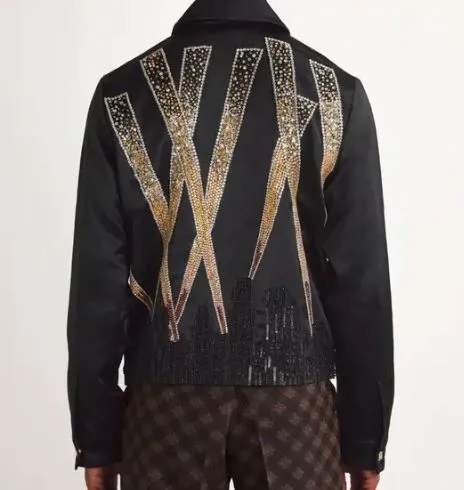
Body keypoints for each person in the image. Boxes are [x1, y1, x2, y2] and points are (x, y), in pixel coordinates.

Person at [67, 0, 394, 489]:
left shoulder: (124, 93)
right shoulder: (333, 92)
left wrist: (97, 438)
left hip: (165, 403)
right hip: (294, 404)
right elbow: (361, 282)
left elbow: (98, 281)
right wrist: (366, 438)